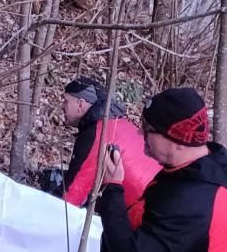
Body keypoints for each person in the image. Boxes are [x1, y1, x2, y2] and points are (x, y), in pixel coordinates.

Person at [100, 87, 227, 252]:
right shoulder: (192, 171)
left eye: (148, 129)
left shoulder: (194, 203)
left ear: (178, 141)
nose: (140, 132)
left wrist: (112, 187)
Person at [54, 77, 160, 223]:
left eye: (66, 101)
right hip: (160, 201)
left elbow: (71, 197)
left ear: (80, 105)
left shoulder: (97, 134)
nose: (62, 106)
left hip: (143, 217)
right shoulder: (119, 123)